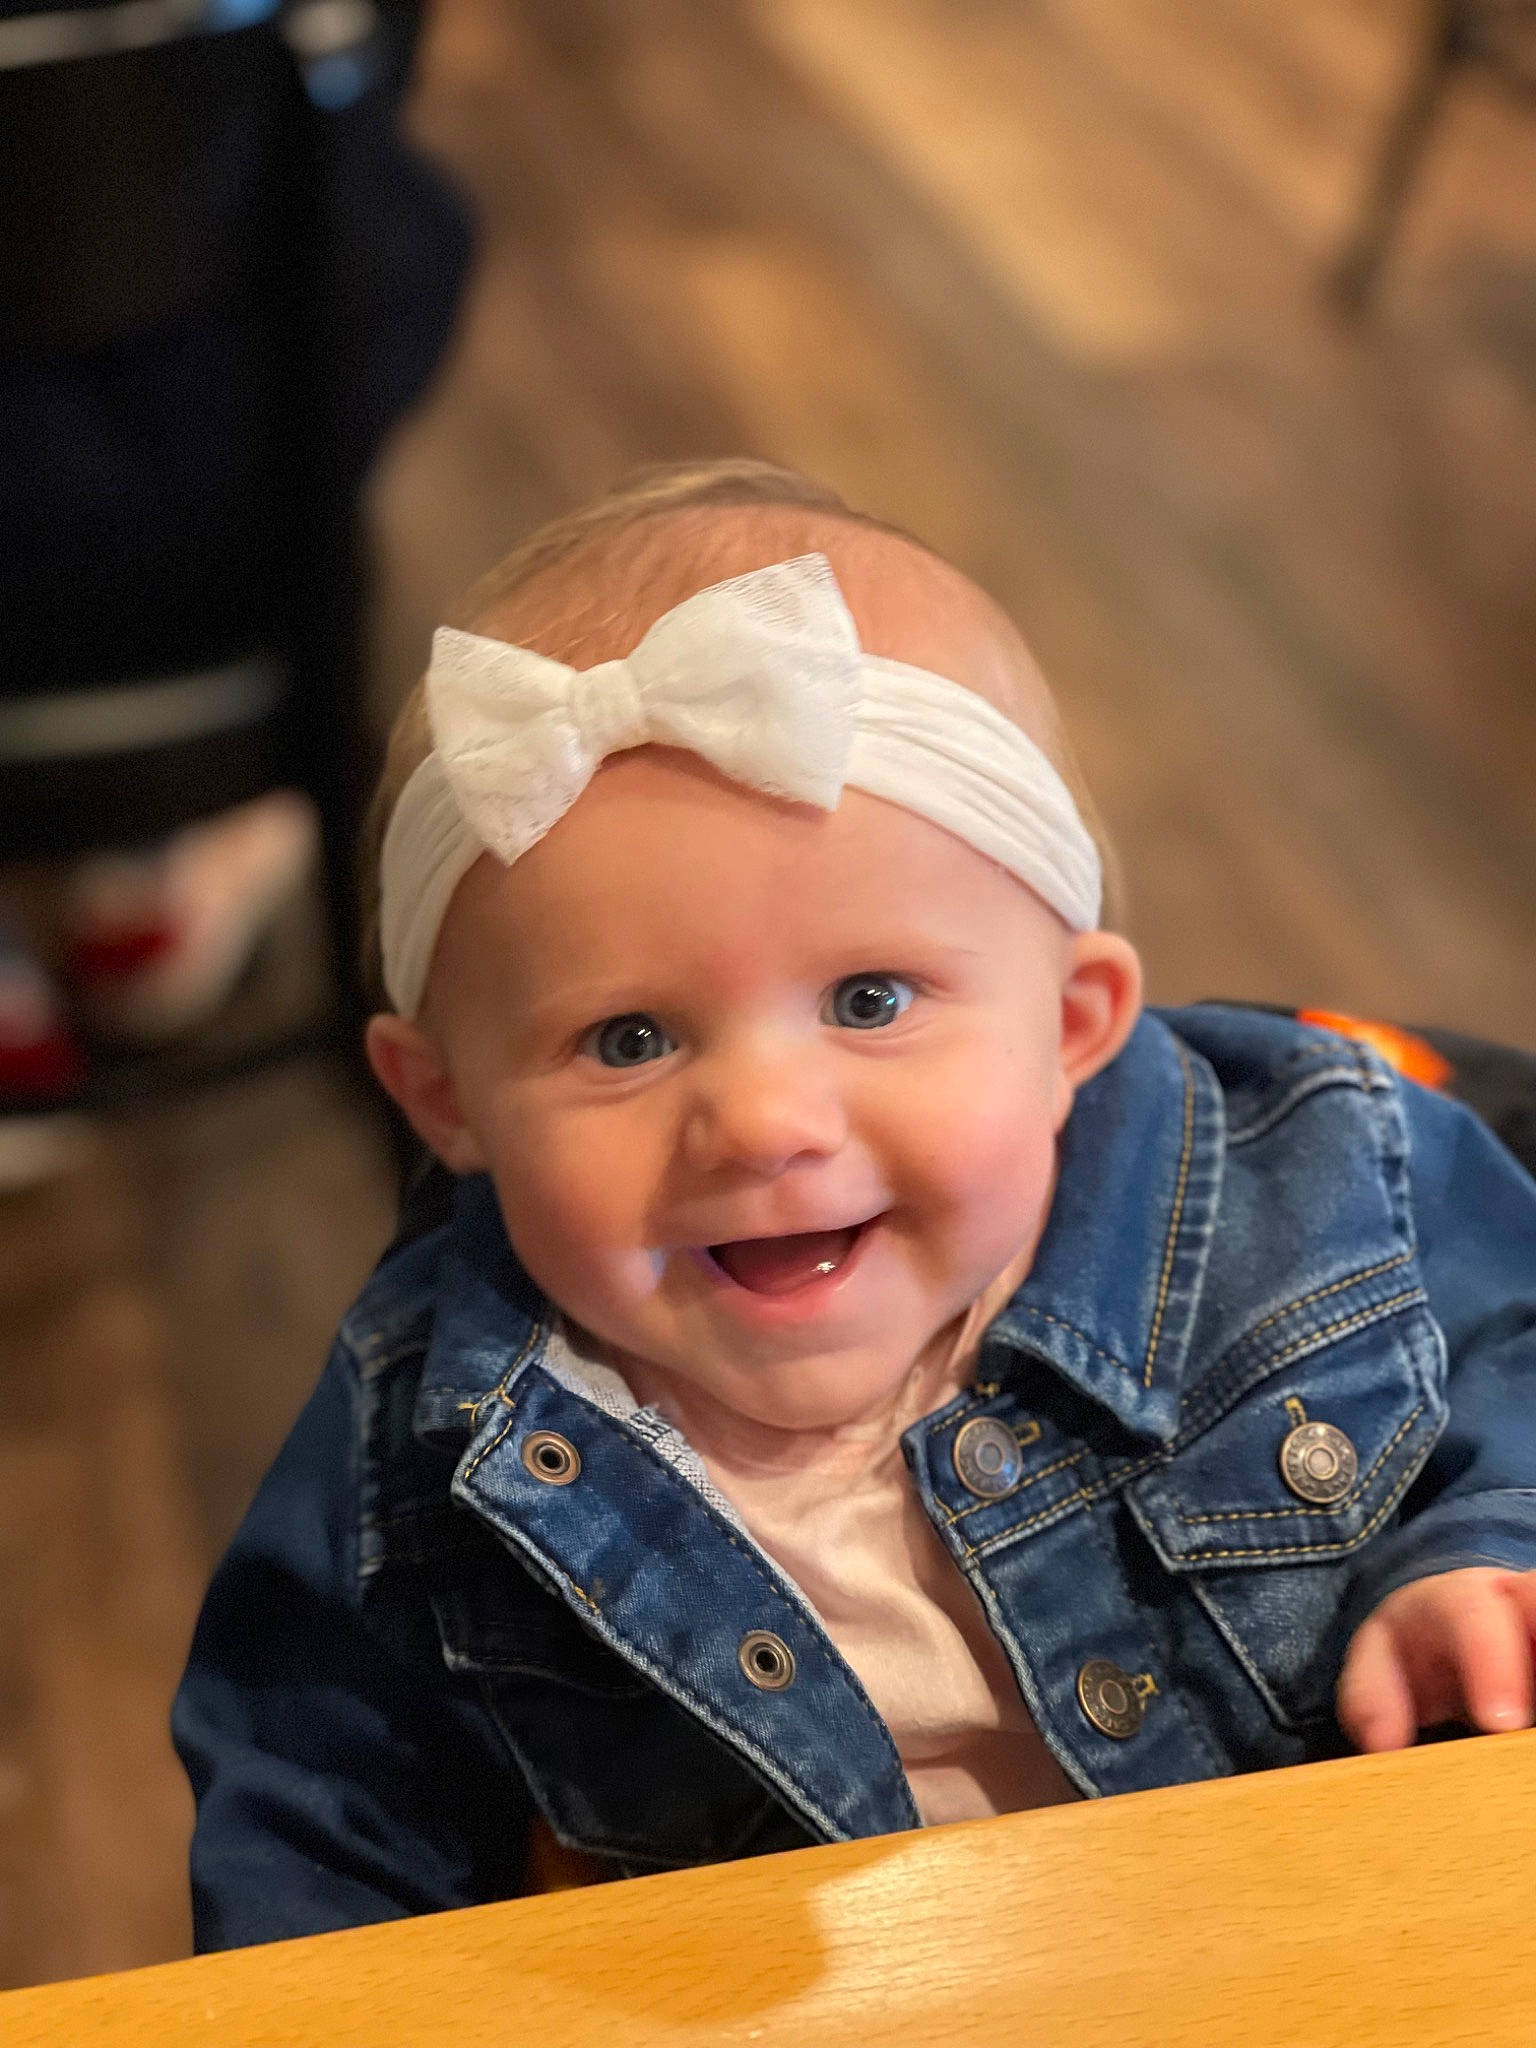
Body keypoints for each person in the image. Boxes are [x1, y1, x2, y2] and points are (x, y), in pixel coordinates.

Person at [172, 459, 1536, 1951]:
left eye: (870, 1001)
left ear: (1074, 1019)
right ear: (446, 1105)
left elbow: (1509, 1354)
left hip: (1362, 1953)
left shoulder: (1319, 1180)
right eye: (627, 1039)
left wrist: (1480, 1553)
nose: (763, 1125)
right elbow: (316, 1828)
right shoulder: (421, 1445)